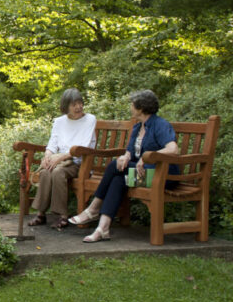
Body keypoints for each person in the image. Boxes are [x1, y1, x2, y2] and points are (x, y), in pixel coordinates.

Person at [67, 89, 180, 242]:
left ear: (141, 108)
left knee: (114, 166)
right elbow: (130, 152)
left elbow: (173, 149)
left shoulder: (160, 125)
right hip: (143, 175)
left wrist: (147, 158)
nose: (130, 107)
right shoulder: (137, 127)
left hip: (162, 177)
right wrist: (125, 156)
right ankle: (103, 228)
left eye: (132, 104)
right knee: (118, 179)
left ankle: (93, 208)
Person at [28, 88, 97, 229]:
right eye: (74, 104)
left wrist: (60, 158)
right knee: (46, 171)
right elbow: (52, 143)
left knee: (58, 172)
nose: (78, 107)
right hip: (60, 161)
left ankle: (63, 216)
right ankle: (41, 214)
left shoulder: (90, 119)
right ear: (66, 106)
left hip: (80, 164)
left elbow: (82, 146)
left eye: (80, 103)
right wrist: (47, 156)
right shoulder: (59, 122)